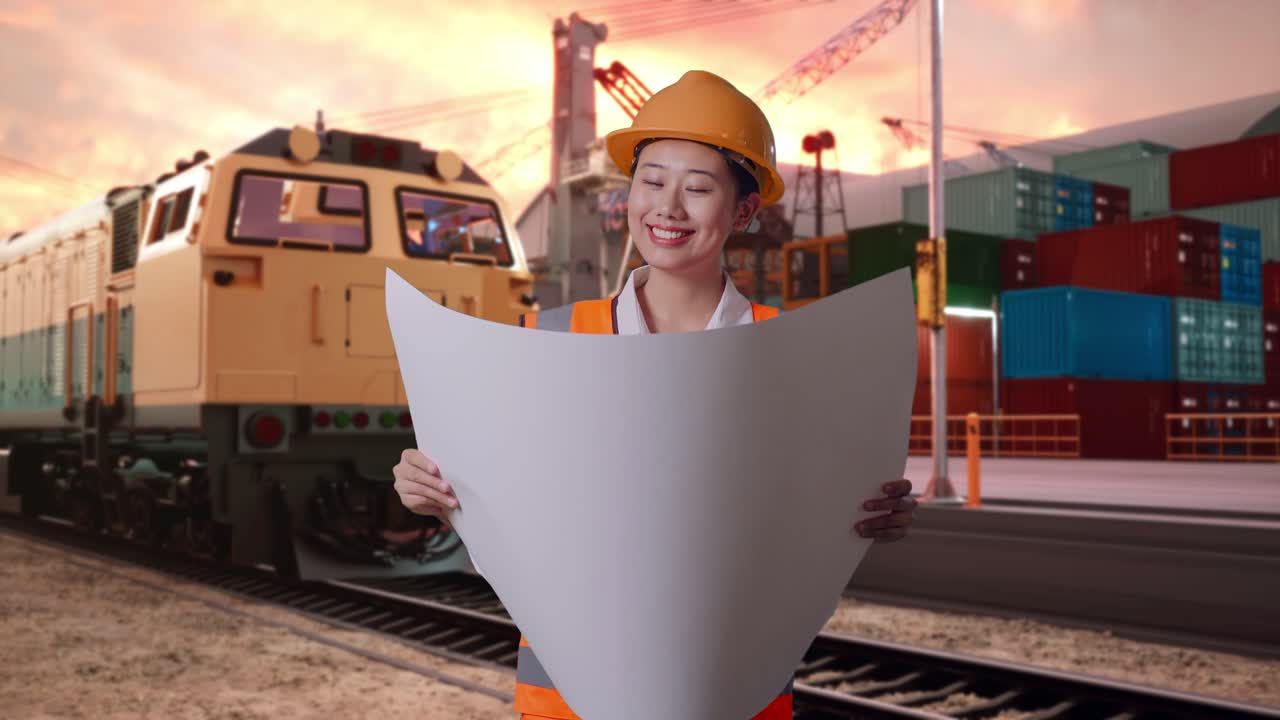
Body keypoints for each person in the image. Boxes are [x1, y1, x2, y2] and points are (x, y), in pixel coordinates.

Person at [393, 69, 917, 720]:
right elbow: (506, 514)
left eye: (698, 188)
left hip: (733, 704)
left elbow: (813, 512)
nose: (667, 207)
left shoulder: (790, 357)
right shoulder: (544, 344)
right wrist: (429, 488)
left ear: (745, 210)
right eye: (651, 180)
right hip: (566, 707)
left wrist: (871, 515)